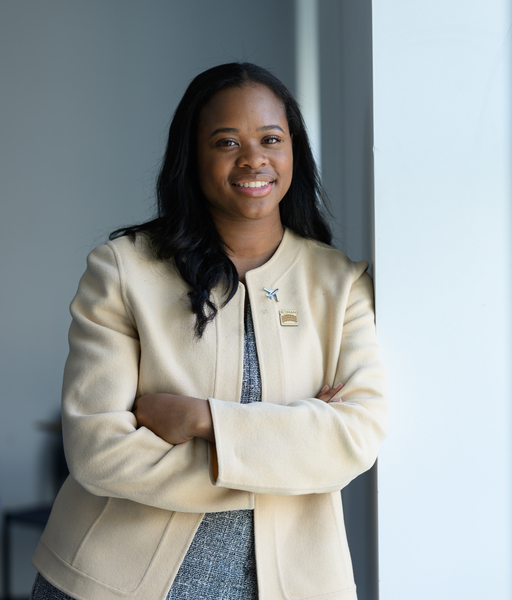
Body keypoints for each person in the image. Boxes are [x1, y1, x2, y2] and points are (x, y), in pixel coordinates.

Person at [29, 63, 388, 600]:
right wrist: (285, 453)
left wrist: (202, 420)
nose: (253, 159)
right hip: (106, 582)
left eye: (271, 138)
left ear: (294, 152)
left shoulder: (340, 283)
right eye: (226, 141)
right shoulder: (123, 269)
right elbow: (97, 451)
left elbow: (354, 438)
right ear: (192, 155)